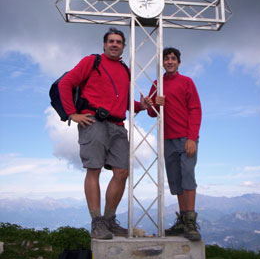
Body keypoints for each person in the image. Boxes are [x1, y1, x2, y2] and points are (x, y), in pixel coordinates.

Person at [58, 28, 152, 240]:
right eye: (111, 41)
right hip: (93, 122)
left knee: (122, 172)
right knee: (94, 170)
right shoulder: (92, 61)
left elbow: (125, 100)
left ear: (123, 47)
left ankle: (109, 221)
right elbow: (66, 83)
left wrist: (141, 106)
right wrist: (72, 113)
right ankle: (97, 222)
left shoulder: (124, 69)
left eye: (118, 42)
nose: (114, 44)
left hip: (118, 124)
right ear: (104, 44)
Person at [147, 47, 202, 241]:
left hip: (186, 137)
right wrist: (155, 102)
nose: (169, 61)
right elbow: (152, 113)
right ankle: (182, 222)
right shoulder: (157, 84)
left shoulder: (186, 82)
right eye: (166, 59)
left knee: (188, 174)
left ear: (179, 62)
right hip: (167, 139)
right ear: (162, 62)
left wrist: (192, 137)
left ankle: (190, 222)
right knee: (176, 179)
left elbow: (195, 109)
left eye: (173, 59)